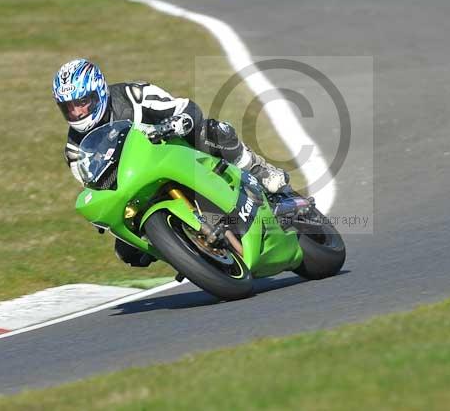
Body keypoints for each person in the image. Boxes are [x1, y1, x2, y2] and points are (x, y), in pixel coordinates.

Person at [53, 58, 290, 267]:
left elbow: (184, 108)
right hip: (136, 183)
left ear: (100, 92)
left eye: (83, 102)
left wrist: (176, 122)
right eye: (68, 107)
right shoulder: (75, 149)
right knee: (127, 252)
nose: (77, 112)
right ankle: (186, 251)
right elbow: (93, 185)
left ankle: (258, 170)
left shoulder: (134, 95)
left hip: (173, 150)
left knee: (213, 132)